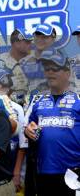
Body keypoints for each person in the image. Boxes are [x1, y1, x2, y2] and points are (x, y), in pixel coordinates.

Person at [24, 52, 79, 195]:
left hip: (74, 174)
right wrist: (27, 131)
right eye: (47, 69)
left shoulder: (78, 99)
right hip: (43, 172)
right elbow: (28, 131)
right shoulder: (37, 101)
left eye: (55, 69)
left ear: (67, 73)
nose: (50, 72)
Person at [0, 28, 33, 105]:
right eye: (27, 42)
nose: (30, 45)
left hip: (23, 110)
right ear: (16, 44)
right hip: (8, 111)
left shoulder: (28, 63)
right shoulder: (1, 63)